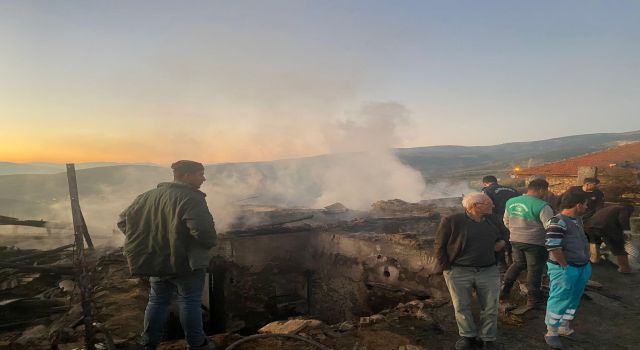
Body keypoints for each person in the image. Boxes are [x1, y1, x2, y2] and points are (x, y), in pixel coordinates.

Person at [118, 160, 218, 350]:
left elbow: (124, 222)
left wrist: (147, 242)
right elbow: (203, 232)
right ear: (186, 176)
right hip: (186, 264)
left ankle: (148, 343)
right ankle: (197, 343)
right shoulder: (192, 198)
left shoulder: (146, 196)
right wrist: (207, 244)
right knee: (190, 301)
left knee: (156, 301)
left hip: (156, 262)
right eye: (200, 174)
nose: (203, 179)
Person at [434, 193, 508, 350]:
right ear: (476, 206)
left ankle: (488, 339)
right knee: (461, 306)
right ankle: (468, 337)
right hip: (459, 271)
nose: (493, 206)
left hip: (488, 270)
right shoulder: (452, 221)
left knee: (490, 307)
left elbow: (506, 234)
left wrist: (502, 242)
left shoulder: (493, 219)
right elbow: (439, 245)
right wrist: (446, 268)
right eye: (489, 203)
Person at [543, 190, 591, 349]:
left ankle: (564, 327)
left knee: (573, 297)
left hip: (581, 266)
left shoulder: (577, 219)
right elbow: (553, 246)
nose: (587, 206)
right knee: (559, 298)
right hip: (564, 268)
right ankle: (551, 332)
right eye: (585, 203)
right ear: (578, 205)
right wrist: (565, 267)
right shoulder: (558, 221)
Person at [501, 179, 554, 308]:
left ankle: (504, 289)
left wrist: (516, 231)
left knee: (518, 263)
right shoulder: (542, 206)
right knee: (534, 270)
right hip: (535, 242)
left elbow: (506, 221)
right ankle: (533, 299)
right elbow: (551, 227)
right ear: (541, 189)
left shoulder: (511, 202)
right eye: (546, 190)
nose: (546, 193)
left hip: (515, 239)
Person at [482, 175, 520, 270]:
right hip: (514, 216)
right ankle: (513, 260)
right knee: (512, 237)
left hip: (497, 218)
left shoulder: (487, 190)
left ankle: (502, 263)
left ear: (485, 183)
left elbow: (486, 204)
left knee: (499, 238)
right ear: (496, 181)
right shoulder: (512, 189)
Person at [584, 204, 635, 273]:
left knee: (595, 242)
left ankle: (595, 260)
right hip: (606, 227)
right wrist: (627, 231)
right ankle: (624, 268)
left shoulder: (611, 208)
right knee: (618, 247)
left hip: (590, 226)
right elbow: (623, 218)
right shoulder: (625, 208)